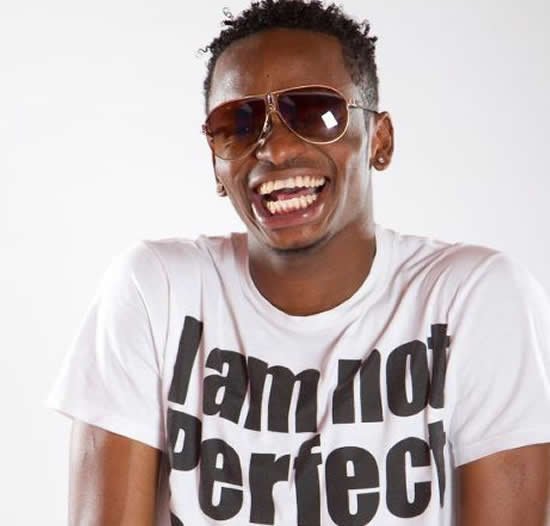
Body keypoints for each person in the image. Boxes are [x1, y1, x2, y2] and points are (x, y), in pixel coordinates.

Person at [47, 1, 550, 524]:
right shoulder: (157, 291)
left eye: (314, 113)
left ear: (379, 141)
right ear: (216, 164)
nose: (277, 149)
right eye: (238, 124)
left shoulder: (474, 298)